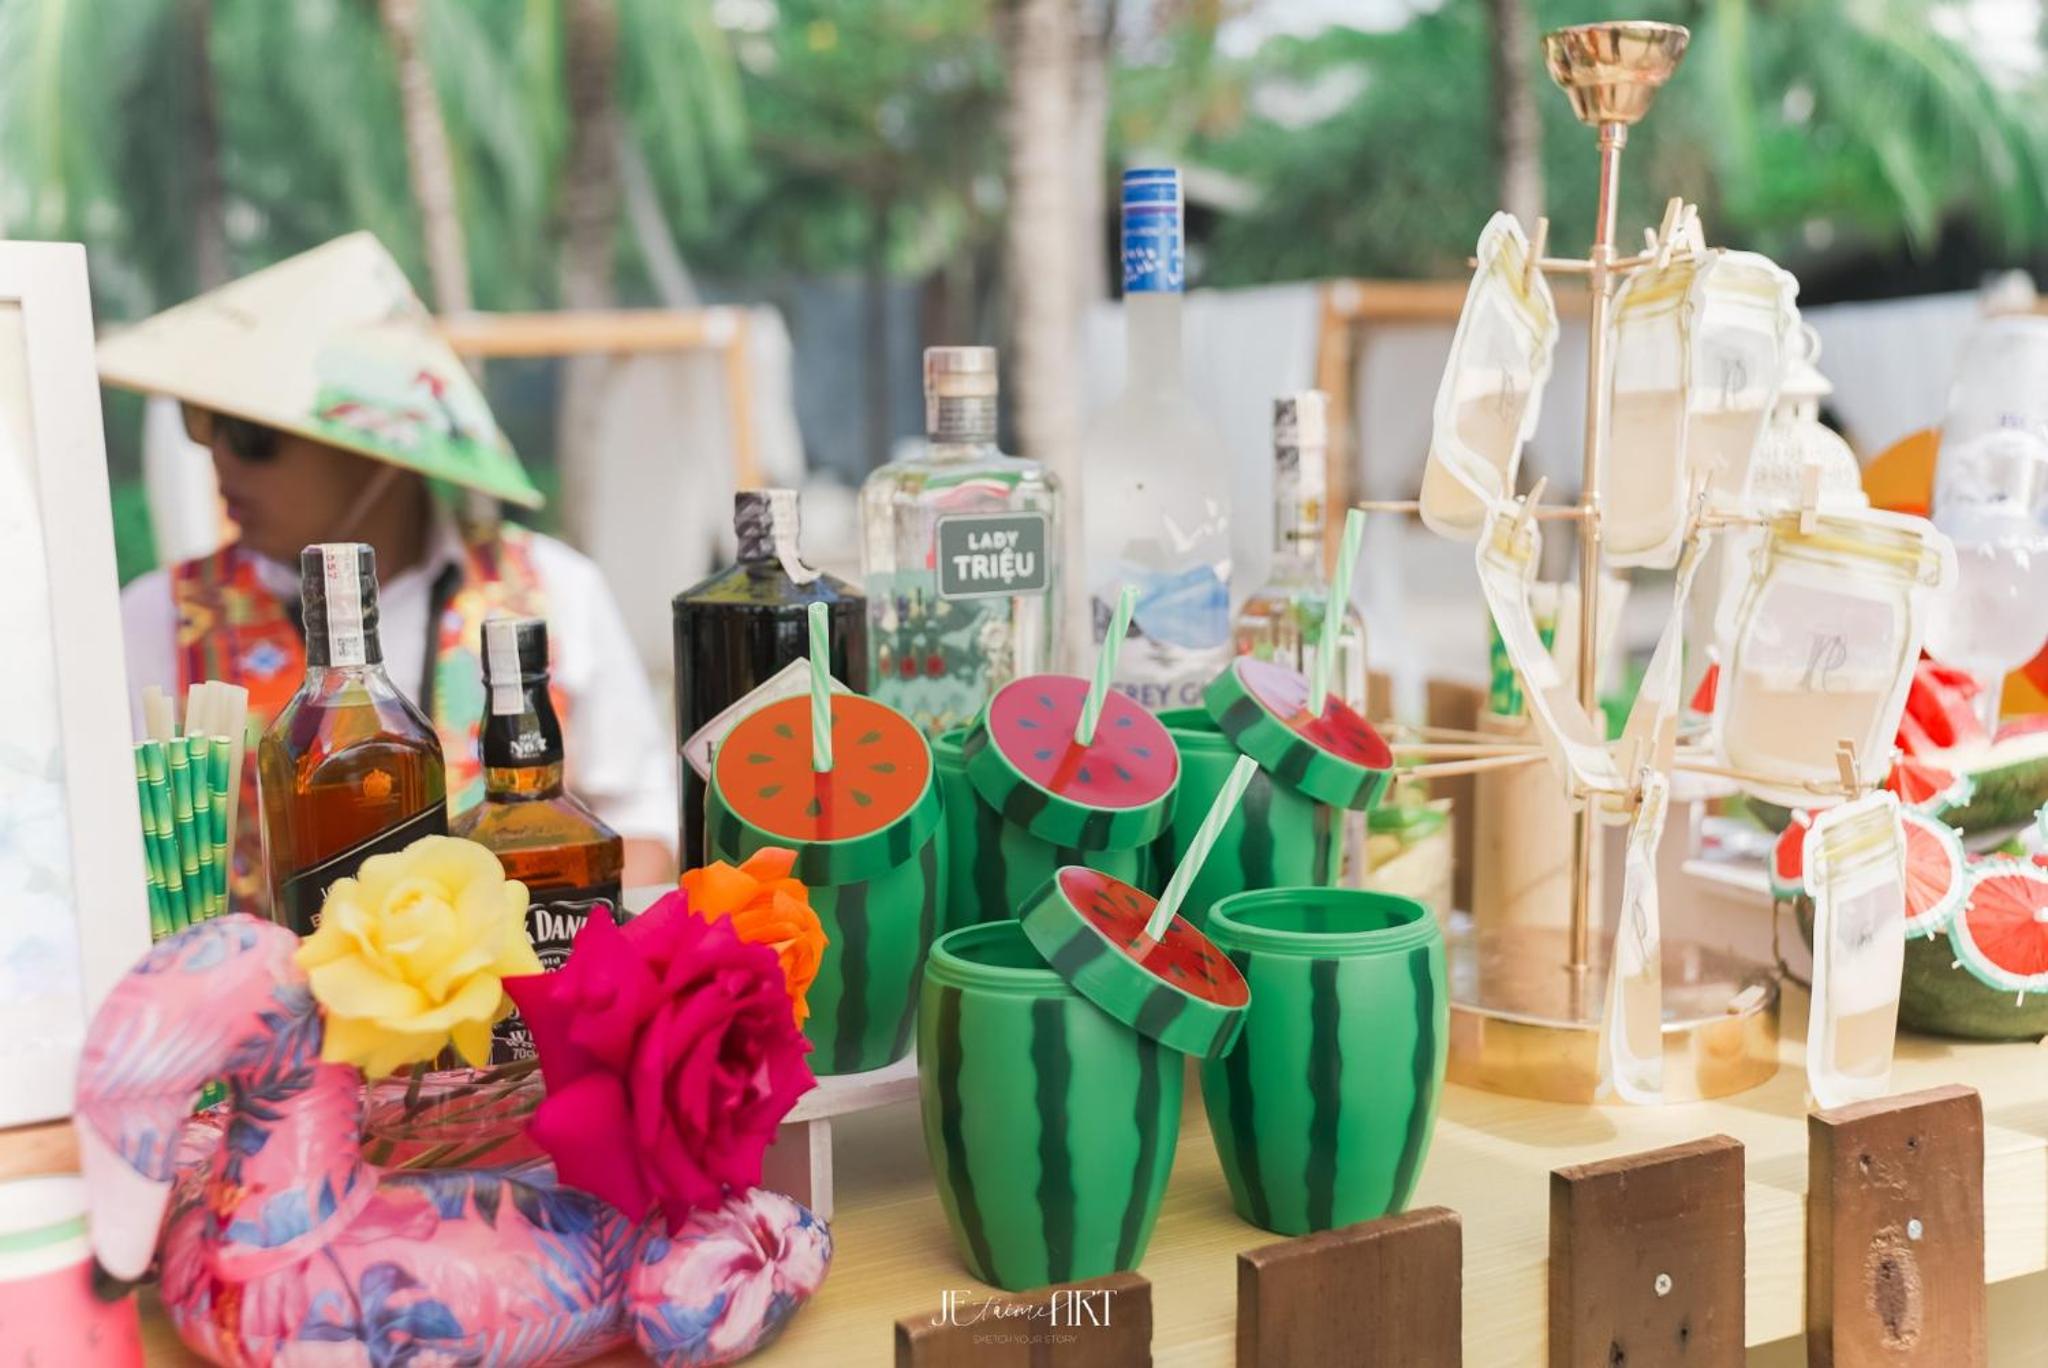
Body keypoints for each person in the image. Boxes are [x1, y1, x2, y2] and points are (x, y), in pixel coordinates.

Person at [102, 233, 676, 907]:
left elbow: (643, 829)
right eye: (204, 426)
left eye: (253, 435)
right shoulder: (158, 619)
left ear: (378, 447)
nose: (220, 460)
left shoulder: (554, 589)